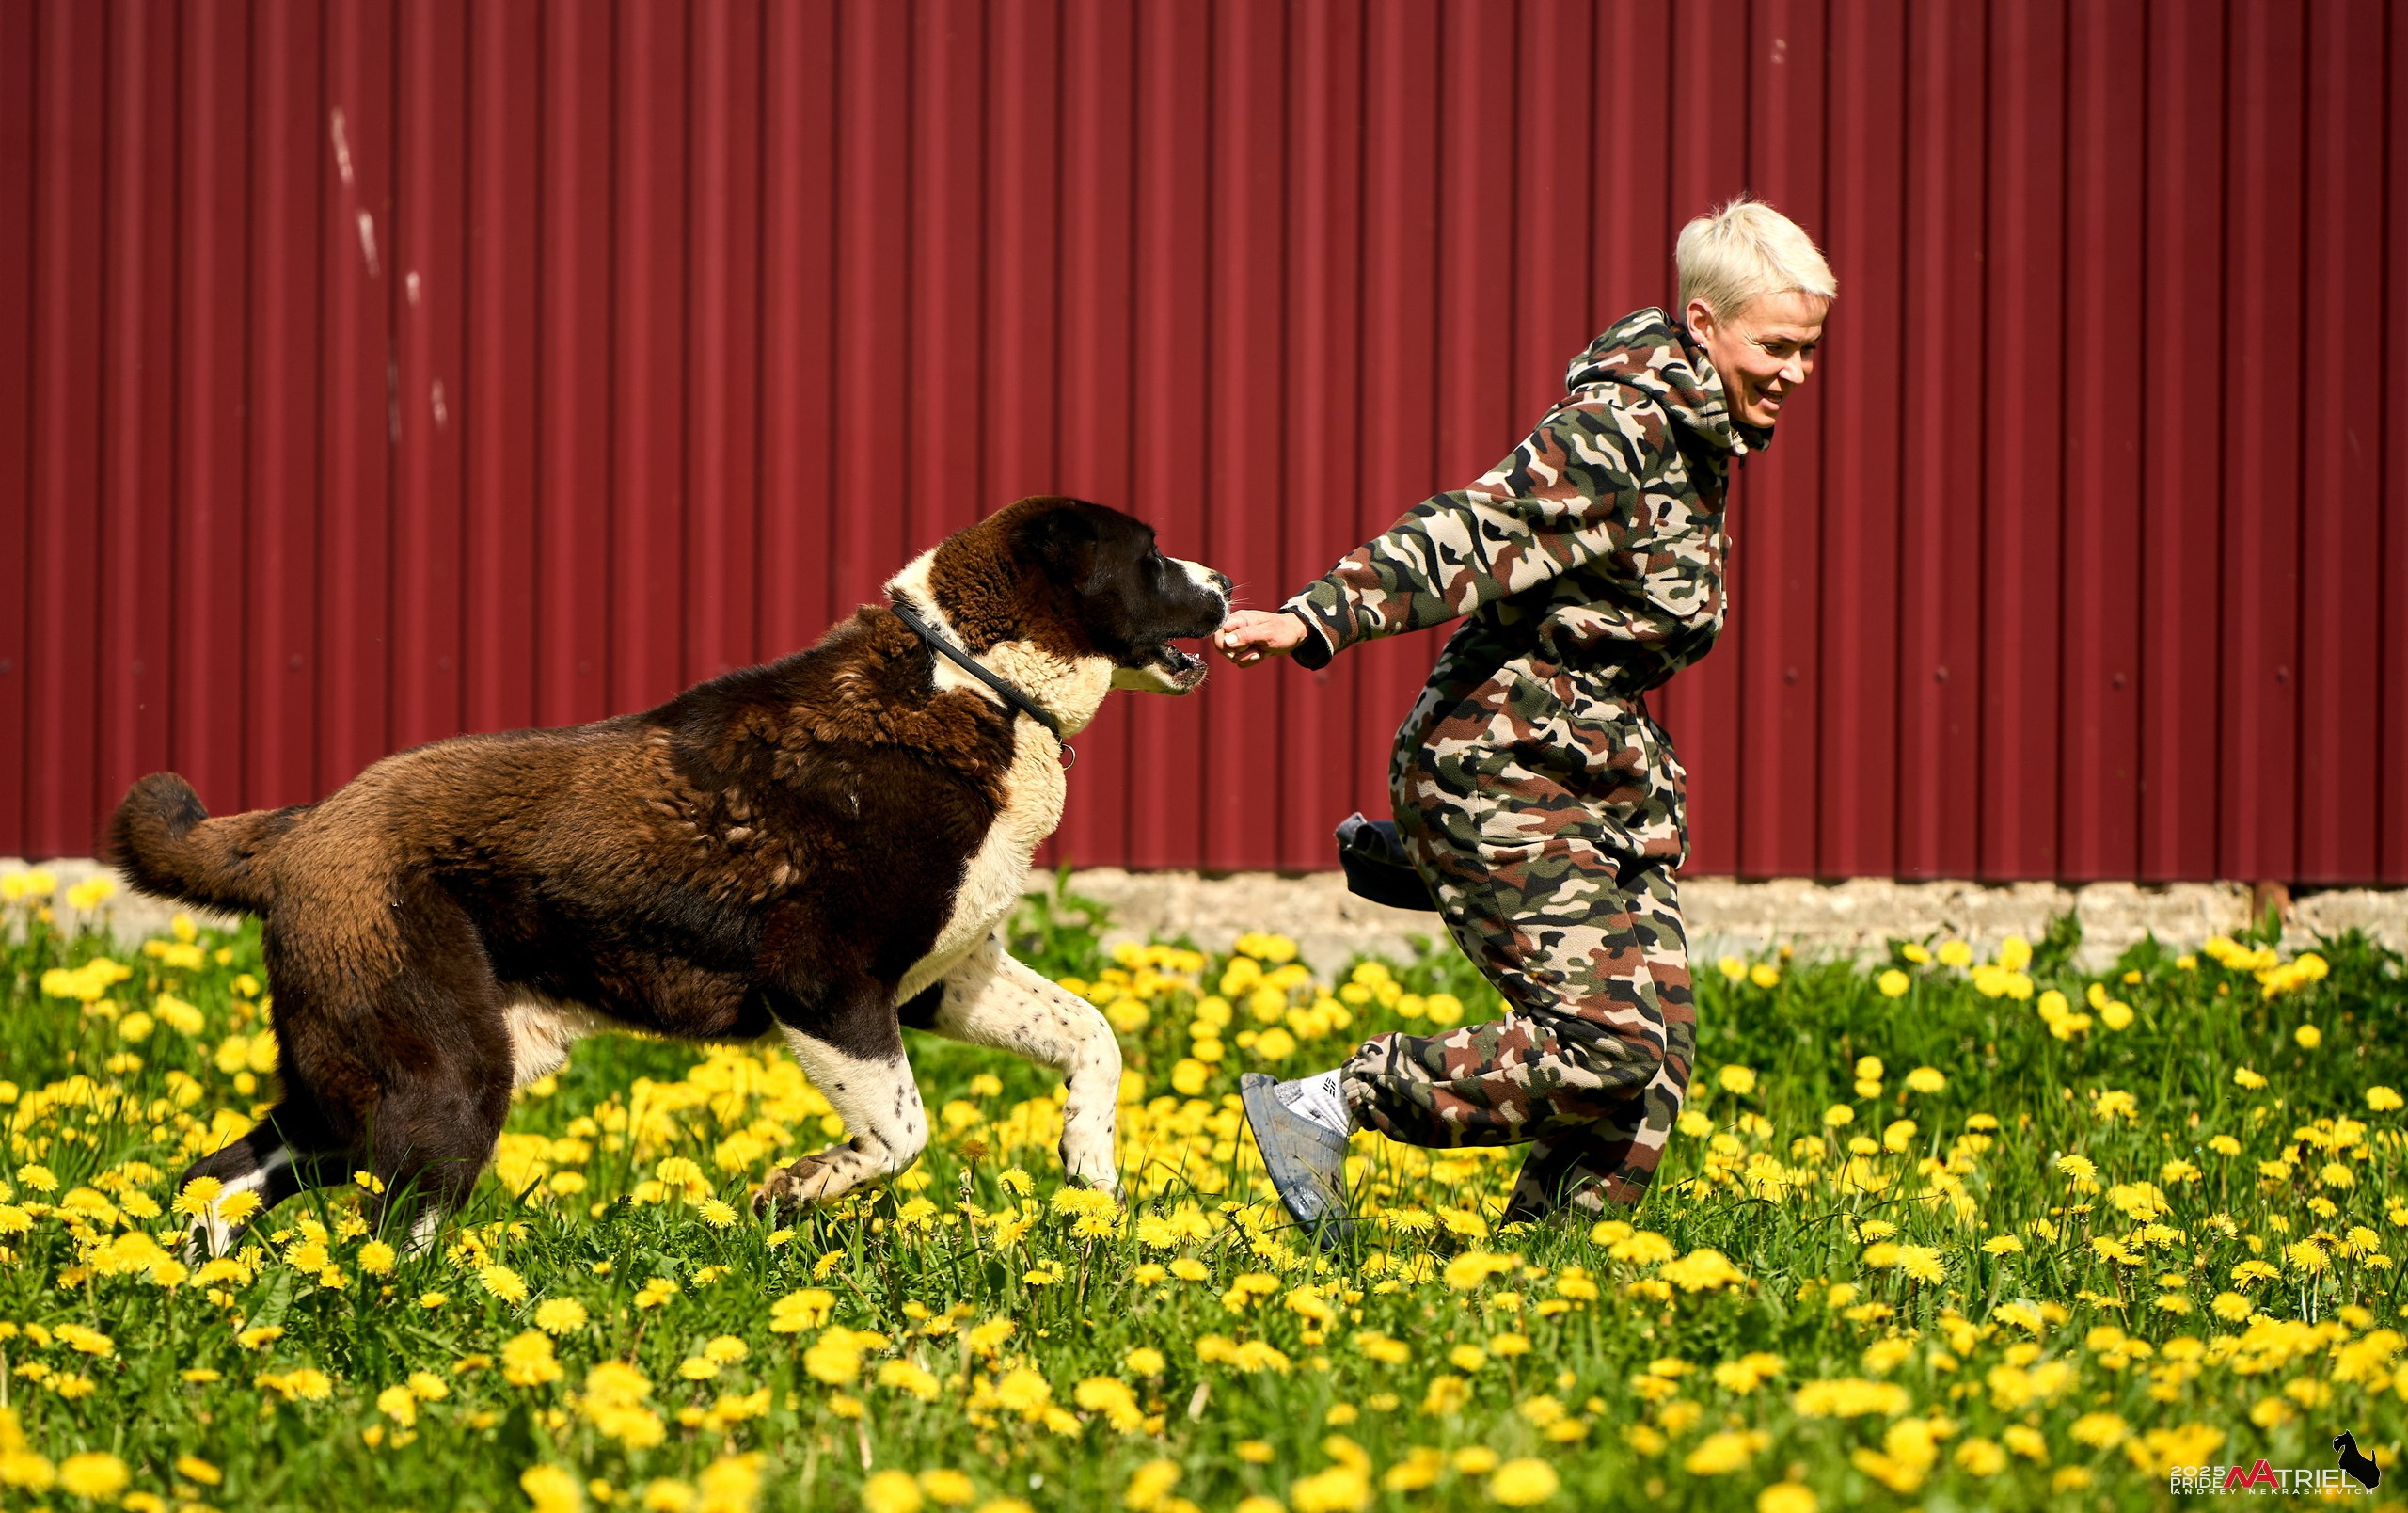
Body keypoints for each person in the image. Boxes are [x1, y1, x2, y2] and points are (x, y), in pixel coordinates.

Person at [1214, 197, 1834, 1240]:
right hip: (1497, 764)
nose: (1795, 374)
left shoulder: (1698, 434)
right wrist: (1312, 617)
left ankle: (1544, 1277)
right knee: (1606, 1043)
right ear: (1701, 323)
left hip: (1593, 773)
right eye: (1776, 347)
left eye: (1809, 350)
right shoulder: (1618, 432)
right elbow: (1474, 528)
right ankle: (1331, 1102)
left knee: (1655, 1051)